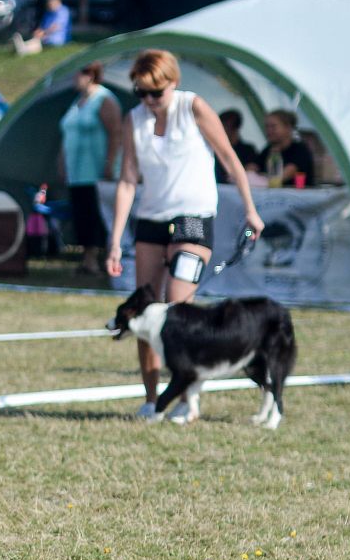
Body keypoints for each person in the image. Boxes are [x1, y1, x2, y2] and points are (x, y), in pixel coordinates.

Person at [107, 49, 262, 419]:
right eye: (139, 92)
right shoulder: (134, 120)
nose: (148, 100)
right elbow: (128, 180)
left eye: (154, 93)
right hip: (150, 221)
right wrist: (114, 241)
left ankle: (185, 400)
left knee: (179, 311)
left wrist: (251, 210)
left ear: (172, 84)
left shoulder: (192, 107)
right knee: (144, 312)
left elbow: (229, 159)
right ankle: (151, 399)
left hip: (192, 217)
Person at [57, 62, 122, 275]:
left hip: (96, 171)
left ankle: (101, 258)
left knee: (97, 216)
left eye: (78, 73)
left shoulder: (104, 100)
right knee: (81, 215)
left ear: (91, 75)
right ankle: (87, 259)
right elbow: (67, 136)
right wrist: (62, 163)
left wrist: (110, 163)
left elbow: (116, 133)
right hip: (76, 172)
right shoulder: (77, 103)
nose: (74, 78)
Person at [258, 109, 316, 187]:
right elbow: (255, 167)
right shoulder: (267, 150)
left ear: (288, 127)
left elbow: (283, 175)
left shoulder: (300, 150)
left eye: (273, 126)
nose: (269, 130)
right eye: (267, 126)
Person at [215, 109, 260, 185]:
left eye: (224, 126)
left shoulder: (248, 150)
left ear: (235, 129)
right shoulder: (215, 149)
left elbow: (253, 169)